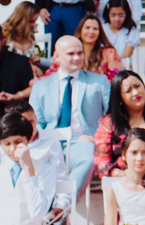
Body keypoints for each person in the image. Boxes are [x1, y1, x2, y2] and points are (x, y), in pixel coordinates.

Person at [29, 35, 111, 197]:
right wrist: (41, 139)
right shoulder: (41, 86)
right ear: (57, 56)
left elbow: (110, 117)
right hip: (49, 140)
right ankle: (47, 206)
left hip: (82, 140)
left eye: (80, 53)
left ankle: (63, 204)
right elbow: (35, 121)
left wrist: (97, 137)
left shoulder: (99, 82)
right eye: (71, 54)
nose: (77, 58)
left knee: (88, 159)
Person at [0, 99, 70, 225]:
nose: (29, 127)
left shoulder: (51, 144)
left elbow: (61, 178)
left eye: (31, 121)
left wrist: (61, 205)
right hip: (7, 205)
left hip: (41, 202)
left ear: (36, 118)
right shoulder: (2, 146)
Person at [3, 1, 48, 76]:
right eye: (31, 21)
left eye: (35, 21)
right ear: (20, 19)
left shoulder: (30, 34)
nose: (34, 25)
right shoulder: (4, 34)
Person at [74, 13, 122, 81]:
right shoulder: (70, 53)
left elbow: (116, 80)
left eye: (95, 29)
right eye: (87, 28)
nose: (91, 31)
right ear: (80, 30)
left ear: (99, 33)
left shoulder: (110, 53)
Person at [102, 0, 139, 64]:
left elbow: (126, 55)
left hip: (122, 65)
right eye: (113, 15)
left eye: (121, 15)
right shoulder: (102, 29)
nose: (117, 19)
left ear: (126, 14)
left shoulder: (131, 30)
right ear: (108, 14)